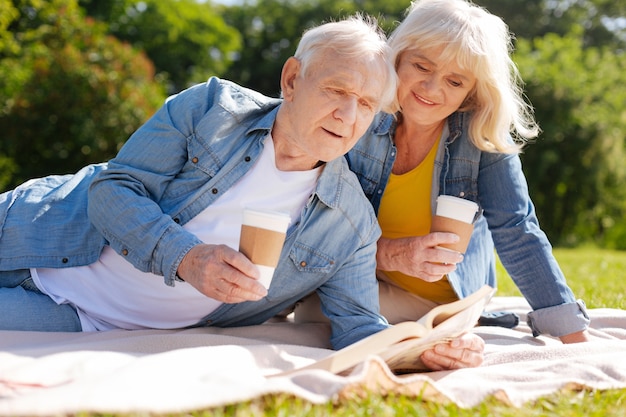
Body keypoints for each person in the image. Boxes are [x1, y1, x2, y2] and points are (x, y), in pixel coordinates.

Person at [0, 15, 483, 370]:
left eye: (364, 105)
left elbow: (359, 327)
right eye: (337, 90)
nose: (347, 116)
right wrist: (187, 258)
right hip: (40, 234)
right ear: (292, 80)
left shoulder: (351, 224)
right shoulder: (211, 111)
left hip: (91, 321)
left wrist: (421, 353)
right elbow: (114, 189)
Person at [343, 0, 590, 343]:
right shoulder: (361, 124)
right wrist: (391, 255)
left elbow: (518, 232)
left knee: (319, 307)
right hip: (365, 280)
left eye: (455, 82)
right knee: (314, 290)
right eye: (421, 66)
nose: (432, 89)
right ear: (397, 57)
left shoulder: (480, 141)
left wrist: (573, 337)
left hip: (447, 302)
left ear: (472, 92)